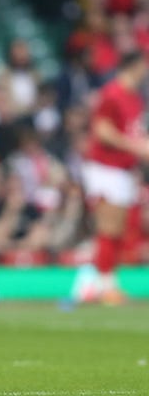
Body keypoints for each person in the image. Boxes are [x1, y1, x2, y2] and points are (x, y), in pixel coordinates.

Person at [81, 50, 149, 305]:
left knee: (119, 228)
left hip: (122, 168)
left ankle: (106, 282)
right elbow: (102, 131)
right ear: (132, 66)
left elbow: (133, 131)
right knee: (108, 226)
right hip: (104, 167)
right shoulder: (113, 93)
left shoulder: (135, 98)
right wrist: (136, 147)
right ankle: (102, 284)